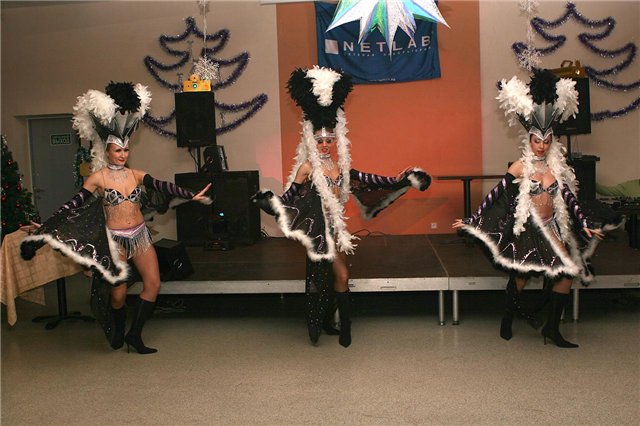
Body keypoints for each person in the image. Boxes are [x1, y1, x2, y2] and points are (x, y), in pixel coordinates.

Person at [21, 82, 211, 354]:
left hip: (140, 236)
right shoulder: (98, 178)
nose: (122, 155)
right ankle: (119, 327)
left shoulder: (135, 175)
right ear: (108, 150)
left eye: (126, 150)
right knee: (118, 293)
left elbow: (162, 186)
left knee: (153, 284)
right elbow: (72, 205)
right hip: (116, 242)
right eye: (118, 150)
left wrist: (190, 194)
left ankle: (135, 335)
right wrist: (45, 230)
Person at [253, 66, 431, 347]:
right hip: (317, 232)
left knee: (339, 278)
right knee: (332, 277)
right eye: (320, 140)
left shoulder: (340, 166)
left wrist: (401, 179)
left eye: (329, 140)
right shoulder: (307, 167)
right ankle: (336, 325)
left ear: (335, 141)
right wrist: (269, 201)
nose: (324, 145)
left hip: (337, 231)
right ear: (312, 140)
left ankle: (337, 323)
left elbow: (370, 180)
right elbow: (290, 198)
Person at [452, 69, 621, 348]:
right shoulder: (520, 166)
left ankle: (551, 328)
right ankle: (509, 316)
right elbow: (496, 194)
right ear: (529, 140)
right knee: (521, 277)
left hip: (551, 228)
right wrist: (472, 218)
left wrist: (584, 223)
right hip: (528, 228)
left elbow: (569, 199)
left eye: (546, 141)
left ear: (551, 142)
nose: (541, 146)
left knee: (566, 274)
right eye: (536, 141)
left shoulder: (556, 169)